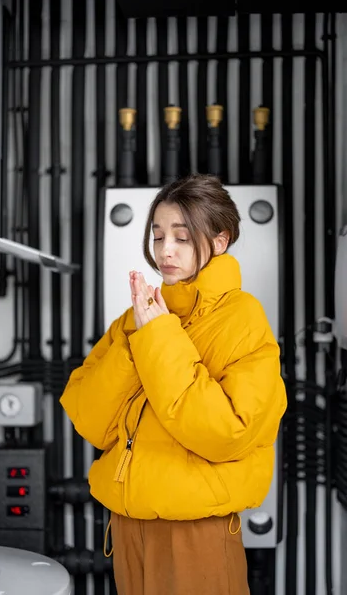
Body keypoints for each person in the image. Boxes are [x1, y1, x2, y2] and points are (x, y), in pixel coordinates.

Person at [60, 174, 287, 595]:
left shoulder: (241, 317)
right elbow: (88, 418)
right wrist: (140, 341)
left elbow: (228, 433)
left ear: (219, 242)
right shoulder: (140, 316)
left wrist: (159, 337)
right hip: (128, 525)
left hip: (196, 530)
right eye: (158, 234)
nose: (165, 250)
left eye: (182, 238)